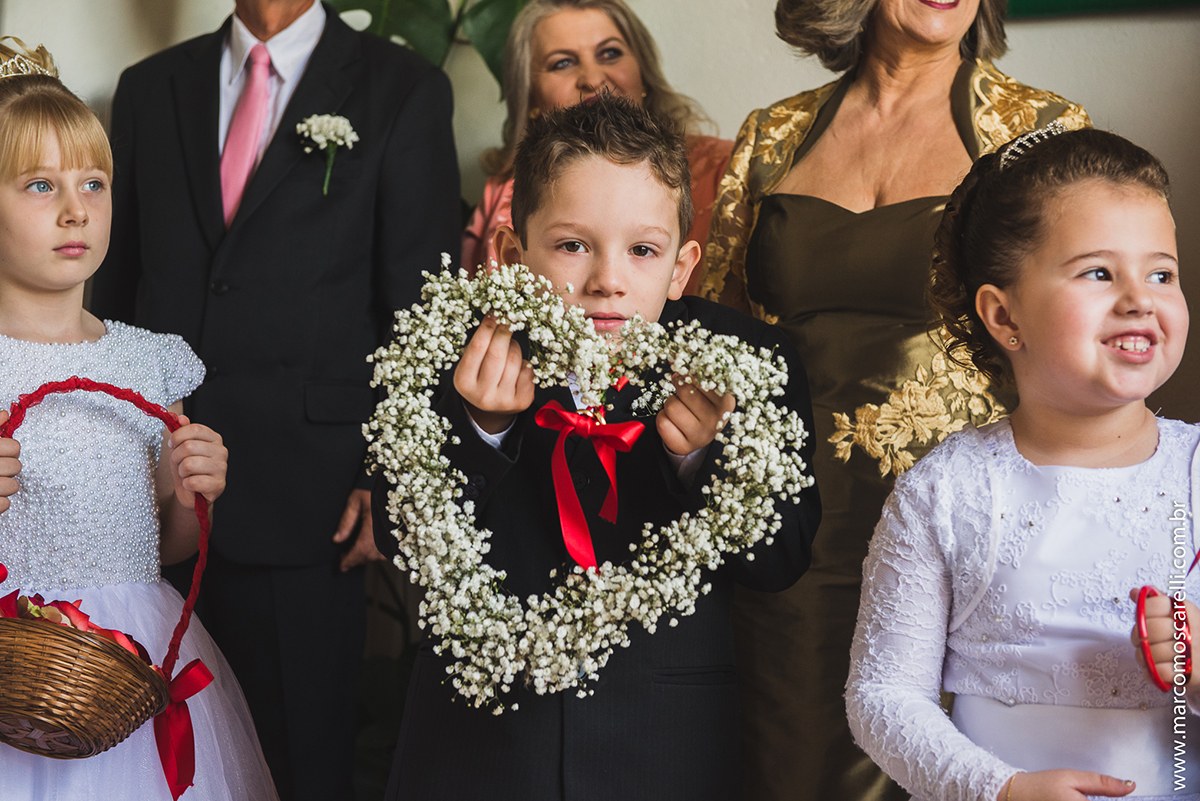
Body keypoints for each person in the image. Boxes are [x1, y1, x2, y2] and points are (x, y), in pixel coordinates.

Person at [372, 96, 821, 800]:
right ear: (513, 255)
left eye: (643, 250)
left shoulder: (743, 365)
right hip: (481, 749)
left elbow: (782, 560)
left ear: (681, 266)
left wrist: (704, 456)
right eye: (573, 244)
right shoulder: (447, 357)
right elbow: (401, 539)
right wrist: (482, 431)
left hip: (664, 742)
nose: (608, 279)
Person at [699, 1, 1090, 797]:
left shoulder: (1043, 133)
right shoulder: (771, 138)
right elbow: (714, 339)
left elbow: (1083, 352)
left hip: (965, 545)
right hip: (787, 544)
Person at [87, 1, 462, 798]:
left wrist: (389, 477)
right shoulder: (150, 87)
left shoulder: (404, 89)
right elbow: (110, 296)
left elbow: (418, 316)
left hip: (309, 495)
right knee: (143, 755)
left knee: (294, 762)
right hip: (145, 492)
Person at [846, 126, 1200, 800]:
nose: (1139, 298)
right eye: (1099, 272)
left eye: (1162, 272)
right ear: (1004, 314)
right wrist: (999, 788)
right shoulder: (946, 490)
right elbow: (882, 694)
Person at [0, 39, 278, 801]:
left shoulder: (147, 362)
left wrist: (197, 493)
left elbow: (167, 542)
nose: (74, 207)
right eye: (38, 184)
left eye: (94, 181)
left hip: (127, 655)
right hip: (14, 656)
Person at [461, 0, 731, 294]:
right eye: (563, 62)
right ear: (530, 97)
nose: (593, 79)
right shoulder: (501, 196)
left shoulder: (722, 170)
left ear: (644, 72)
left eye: (610, 54)